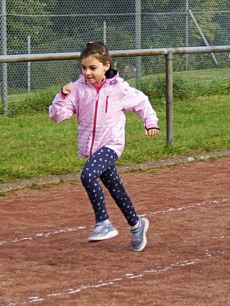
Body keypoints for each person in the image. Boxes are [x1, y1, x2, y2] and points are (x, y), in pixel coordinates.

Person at [48, 41, 158, 252]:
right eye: (84, 68)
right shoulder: (78, 89)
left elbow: (142, 102)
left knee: (88, 175)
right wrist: (61, 96)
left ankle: (103, 222)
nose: (87, 72)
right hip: (91, 149)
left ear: (106, 66)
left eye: (93, 68)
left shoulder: (119, 88)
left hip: (111, 145)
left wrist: (150, 122)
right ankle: (137, 225)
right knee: (116, 188)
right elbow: (57, 116)